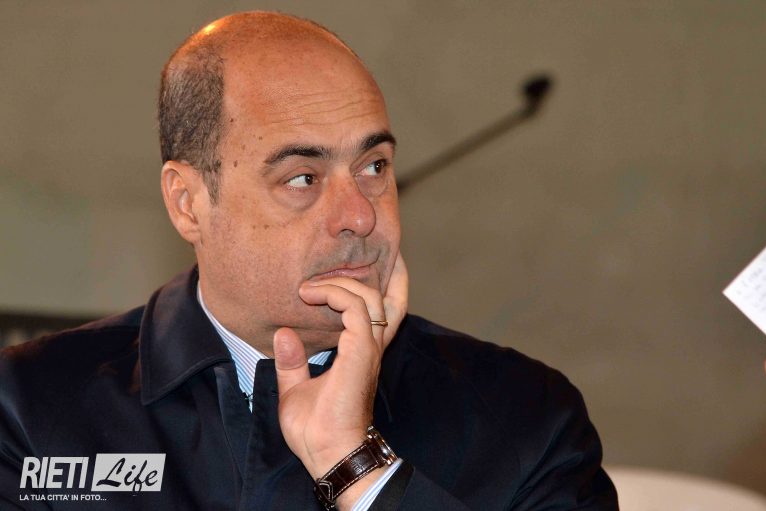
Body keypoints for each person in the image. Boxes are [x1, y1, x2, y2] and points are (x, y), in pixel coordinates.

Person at [0, 11, 618, 510]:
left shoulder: (524, 418)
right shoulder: (29, 409)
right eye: (302, 177)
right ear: (188, 203)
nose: (360, 215)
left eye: (374, 167)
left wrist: (358, 468)